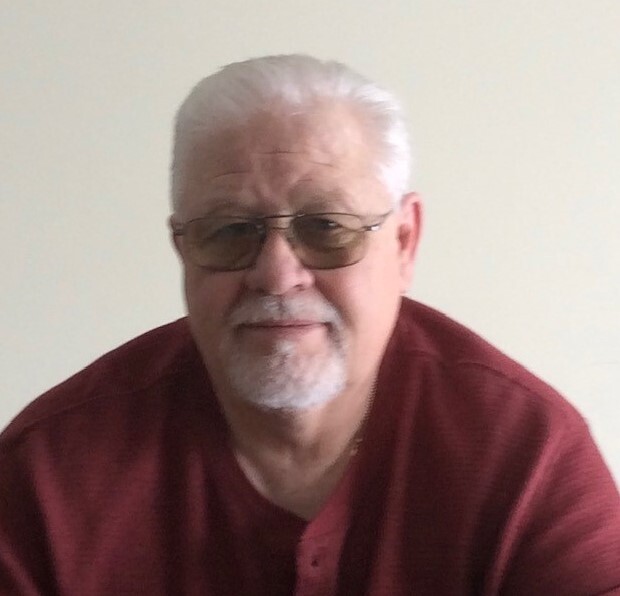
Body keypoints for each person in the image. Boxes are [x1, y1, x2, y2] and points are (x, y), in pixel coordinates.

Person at [0, 54, 618, 596]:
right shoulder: (46, 476)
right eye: (230, 230)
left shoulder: (525, 454)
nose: (276, 275)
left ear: (404, 242)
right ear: (183, 249)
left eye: (326, 227)